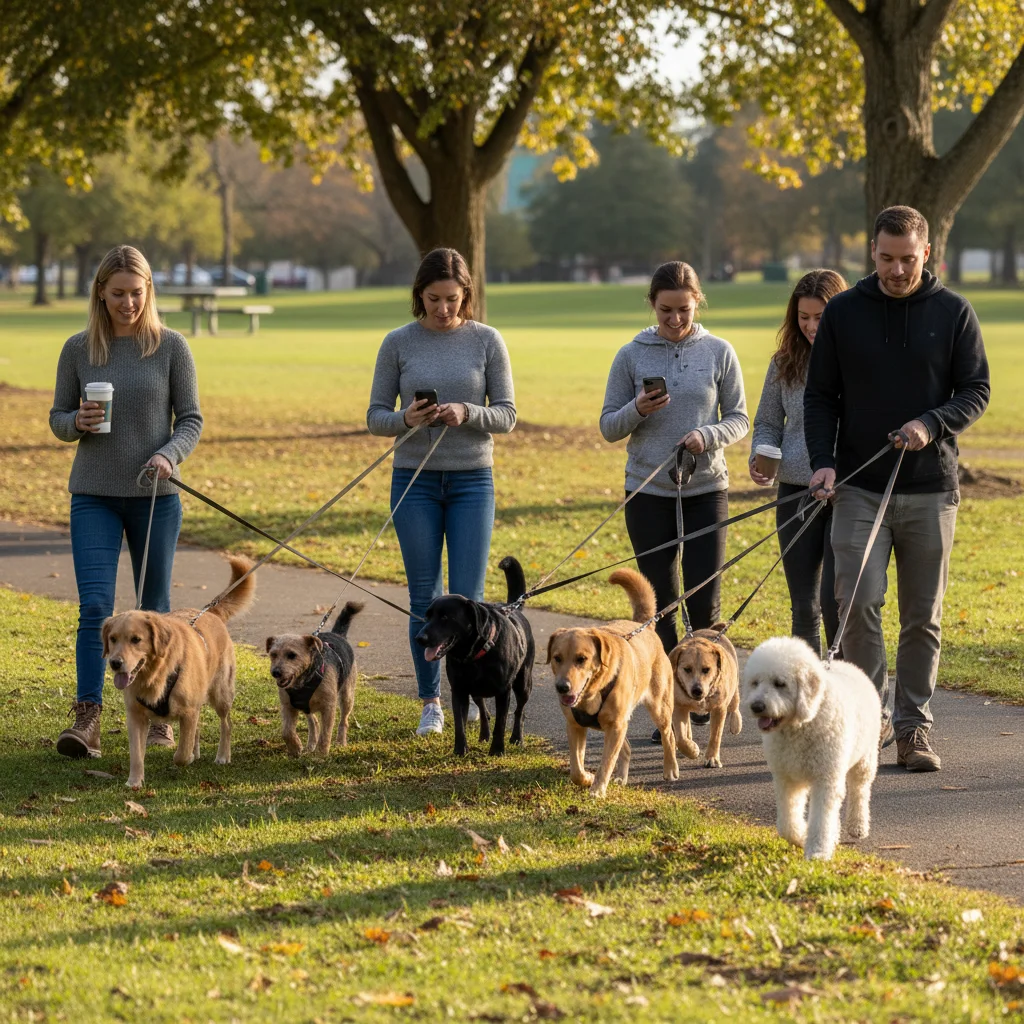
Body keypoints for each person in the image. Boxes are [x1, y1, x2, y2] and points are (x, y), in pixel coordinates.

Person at [805, 206, 990, 772]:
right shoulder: (843, 312)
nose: (896, 269)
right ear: (872, 251)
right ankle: (869, 719)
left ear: (926, 253)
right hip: (858, 486)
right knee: (856, 602)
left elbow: (976, 390)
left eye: (908, 259)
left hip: (931, 488)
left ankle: (913, 728)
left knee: (921, 616)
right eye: (886, 258)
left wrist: (930, 424)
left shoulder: (954, 312)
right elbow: (820, 397)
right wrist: (823, 463)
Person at [48, 245, 203, 758]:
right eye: (118, 293)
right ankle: (88, 717)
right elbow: (57, 418)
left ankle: (159, 711)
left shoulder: (171, 346)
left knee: (155, 614)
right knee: (96, 606)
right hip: (93, 493)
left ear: (148, 291)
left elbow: (192, 420)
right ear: (101, 292)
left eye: (137, 293)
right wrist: (76, 423)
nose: (128, 303)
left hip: (154, 496)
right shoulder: (78, 348)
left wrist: (169, 454)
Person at [367, 248, 516, 737]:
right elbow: (375, 418)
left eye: (453, 299)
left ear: (466, 296)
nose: (444, 308)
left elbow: (508, 415)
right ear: (419, 296)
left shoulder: (488, 341)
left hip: (473, 479)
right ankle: (431, 700)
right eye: (434, 299)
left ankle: (469, 697)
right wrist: (406, 419)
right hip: (415, 480)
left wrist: (468, 412)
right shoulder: (398, 343)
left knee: (469, 600)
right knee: (424, 598)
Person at [600, 261, 748, 741]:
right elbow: (608, 426)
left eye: (684, 310)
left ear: (697, 303)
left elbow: (740, 418)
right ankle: (668, 702)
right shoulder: (631, 355)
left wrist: (708, 435)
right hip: (648, 491)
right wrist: (636, 410)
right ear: (652, 305)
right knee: (659, 606)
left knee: (704, 597)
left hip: (707, 488)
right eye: (666, 310)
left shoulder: (719, 352)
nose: (676, 320)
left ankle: (705, 695)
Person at [749, 269, 848, 657]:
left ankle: (849, 692)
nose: (810, 326)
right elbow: (768, 422)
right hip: (793, 490)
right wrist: (761, 454)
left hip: (847, 492)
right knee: (803, 604)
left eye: (819, 317)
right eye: (803, 317)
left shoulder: (858, 361)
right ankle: (807, 699)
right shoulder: (785, 362)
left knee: (835, 602)